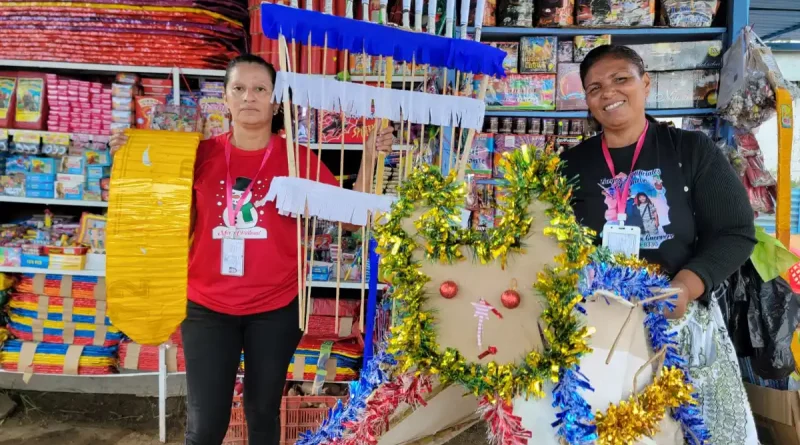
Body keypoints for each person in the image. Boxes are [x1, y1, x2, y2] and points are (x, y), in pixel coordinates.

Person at [110, 54, 394, 445]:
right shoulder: (196, 156)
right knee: (205, 426)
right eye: (239, 88)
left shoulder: (297, 160)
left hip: (276, 309)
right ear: (225, 99)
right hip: (205, 306)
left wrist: (371, 155)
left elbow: (352, 217)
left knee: (262, 416)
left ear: (275, 102)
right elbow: (149, 209)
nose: (250, 97)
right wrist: (132, 158)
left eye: (261, 89)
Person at [560, 45, 758, 444]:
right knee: (604, 430)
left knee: (692, 430)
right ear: (586, 100)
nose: (608, 92)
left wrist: (686, 285)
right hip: (600, 328)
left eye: (621, 79)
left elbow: (735, 231)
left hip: (678, 320)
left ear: (645, 83)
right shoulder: (571, 164)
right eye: (594, 87)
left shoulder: (690, 151)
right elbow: (553, 241)